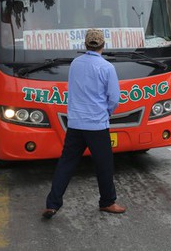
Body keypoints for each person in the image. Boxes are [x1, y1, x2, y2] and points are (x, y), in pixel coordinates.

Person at [42, 29, 125, 219]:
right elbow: (114, 98)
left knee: (66, 163)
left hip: (76, 124)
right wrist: (107, 112)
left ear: (85, 45)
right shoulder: (106, 68)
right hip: (96, 125)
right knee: (104, 165)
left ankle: (52, 204)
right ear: (103, 45)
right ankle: (107, 202)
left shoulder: (75, 64)